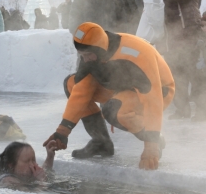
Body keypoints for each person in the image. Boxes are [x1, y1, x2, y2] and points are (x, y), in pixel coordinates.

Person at [43, 22, 175, 170]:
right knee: (72, 84)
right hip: (121, 87)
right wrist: (62, 131)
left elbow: (153, 99)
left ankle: (156, 140)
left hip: (159, 90)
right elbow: (81, 92)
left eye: (87, 55)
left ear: (99, 50)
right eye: (82, 55)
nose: (85, 60)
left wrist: (151, 144)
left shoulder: (136, 54)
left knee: (115, 110)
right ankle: (101, 142)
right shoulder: (93, 53)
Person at [151, 0, 206, 122]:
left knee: (194, 71)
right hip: (170, 34)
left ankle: (203, 111)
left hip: (188, 29)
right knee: (175, 73)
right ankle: (182, 109)